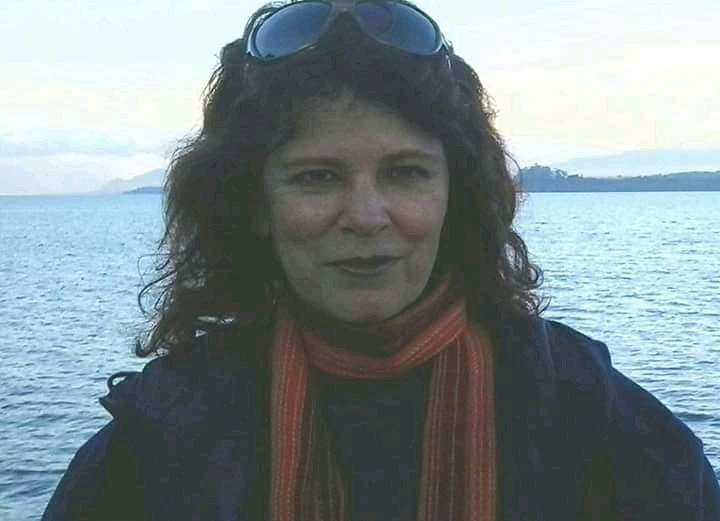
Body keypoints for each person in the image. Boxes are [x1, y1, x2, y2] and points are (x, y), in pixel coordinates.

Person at [43, 1, 719, 520]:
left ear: (456, 195)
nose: (367, 216)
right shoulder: (169, 434)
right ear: (254, 204)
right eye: (317, 177)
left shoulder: (579, 407)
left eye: (405, 173)